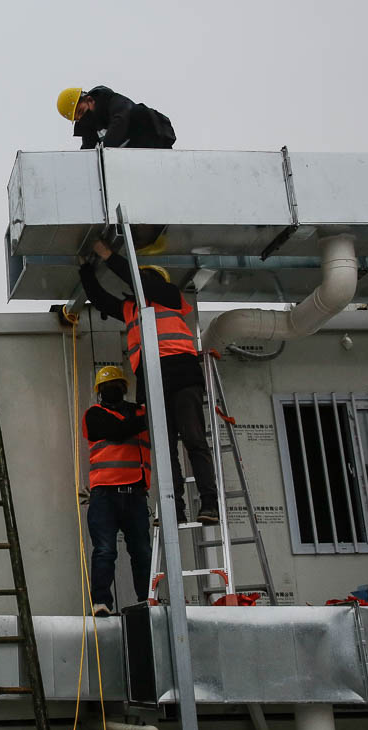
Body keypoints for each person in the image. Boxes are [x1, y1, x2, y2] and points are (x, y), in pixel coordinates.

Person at [78, 240, 219, 524]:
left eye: (144, 278)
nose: (140, 283)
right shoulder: (131, 309)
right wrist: (85, 270)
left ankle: (210, 504)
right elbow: (101, 298)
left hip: (181, 374)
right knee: (165, 449)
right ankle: (174, 510)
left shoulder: (168, 295)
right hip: (152, 380)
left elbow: (136, 280)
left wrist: (107, 254)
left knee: (193, 440)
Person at [83, 366, 153, 616]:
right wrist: (144, 417)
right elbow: (118, 431)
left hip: (135, 494)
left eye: (116, 386)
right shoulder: (94, 415)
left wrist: (145, 414)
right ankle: (101, 603)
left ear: (124, 389)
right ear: (100, 392)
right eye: (107, 387)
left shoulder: (142, 413)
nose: (112, 390)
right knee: (105, 550)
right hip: (105, 495)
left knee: (142, 552)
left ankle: (147, 601)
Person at [56, 86, 176, 150]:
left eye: (81, 111)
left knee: (138, 113)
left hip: (154, 148)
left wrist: (105, 148)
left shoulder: (113, 102)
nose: (83, 118)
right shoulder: (90, 127)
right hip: (130, 166)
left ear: (90, 100)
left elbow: (121, 119)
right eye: (78, 118)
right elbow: (88, 153)